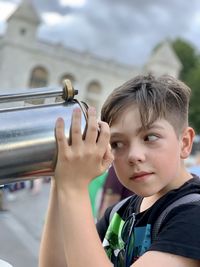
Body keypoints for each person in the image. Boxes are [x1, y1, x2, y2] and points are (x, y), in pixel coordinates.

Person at [39, 74, 200, 267]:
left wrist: (74, 187)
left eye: (150, 137)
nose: (134, 155)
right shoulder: (118, 213)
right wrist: (61, 180)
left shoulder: (193, 216)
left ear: (185, 142)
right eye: (117, 143)